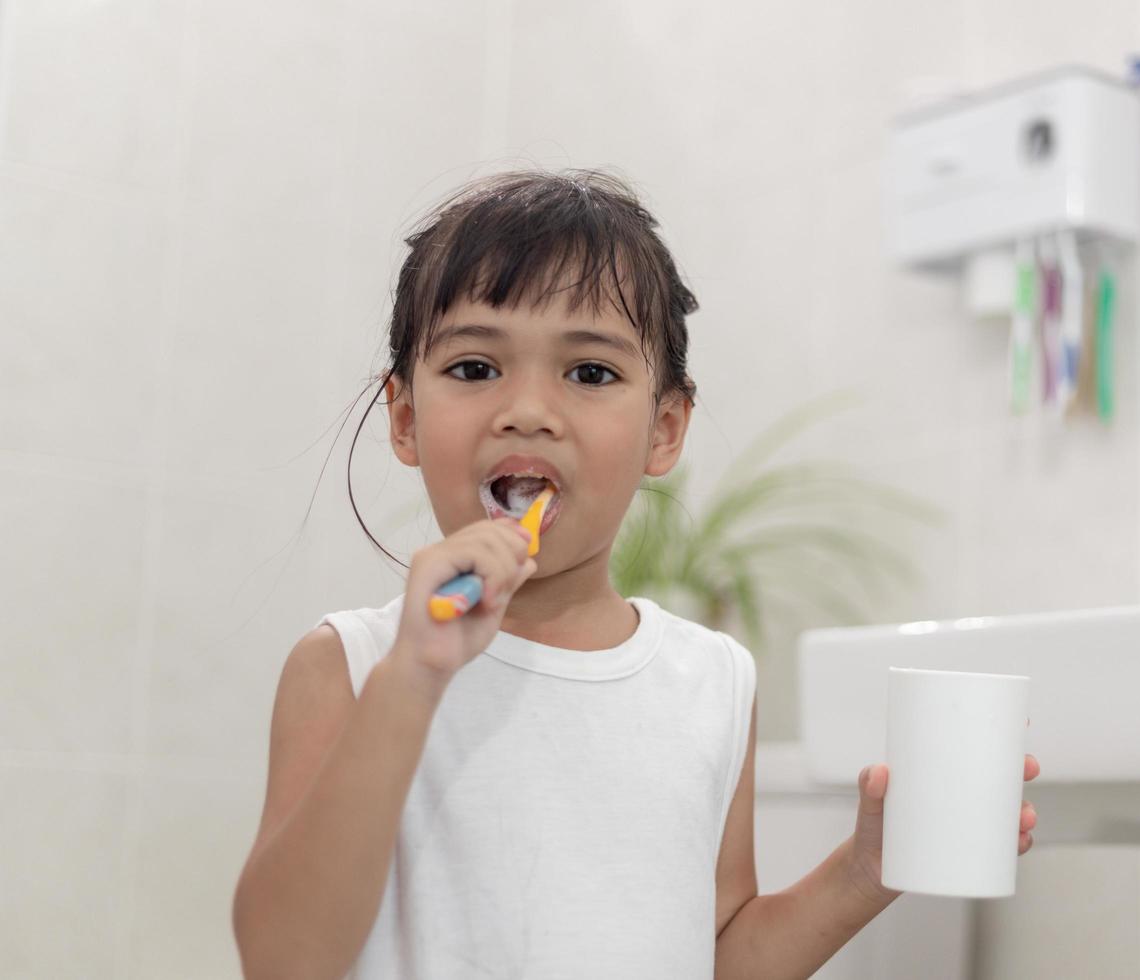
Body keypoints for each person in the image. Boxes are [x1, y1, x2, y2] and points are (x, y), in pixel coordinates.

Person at [230, 168, 1041, 979]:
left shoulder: (712, 681)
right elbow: (282, 959)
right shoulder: (349, 664)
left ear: (665, 429)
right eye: (476, 368)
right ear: (405, 418)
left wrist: (866, 873)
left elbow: (719, 958)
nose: (529, 409)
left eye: (590, 373)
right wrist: (412, 677)